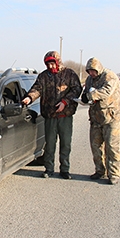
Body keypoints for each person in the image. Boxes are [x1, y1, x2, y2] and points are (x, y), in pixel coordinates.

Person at [22, 51, 82, 179]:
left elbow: (77, 89)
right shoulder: (43, 76)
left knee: (65, 144)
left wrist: (65, 102)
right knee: (49, 144)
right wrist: (29, 98)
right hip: (50, 116)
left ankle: (65, 169)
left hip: (65, 116)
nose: (50, 66)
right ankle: (49, 169)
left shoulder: (69, 74)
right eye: (47, 64)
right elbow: (37, 89)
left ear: (57, 62)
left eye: (52, 63)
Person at [81, 57, 120, 185]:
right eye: (89, 71)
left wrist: (90, 95)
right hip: (96, 118)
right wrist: (84, 97)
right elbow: (86, 91)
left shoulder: (109, 76)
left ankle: (114, 174)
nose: (91, 74)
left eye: (93, 71)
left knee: (112, 147)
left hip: (112, 117)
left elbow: (106, 91)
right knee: (96, 146)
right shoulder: (89, 79)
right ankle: (100, 170)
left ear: (98, 68)